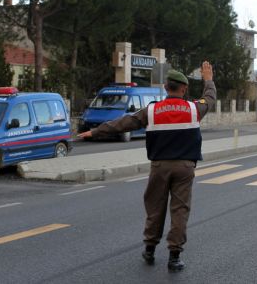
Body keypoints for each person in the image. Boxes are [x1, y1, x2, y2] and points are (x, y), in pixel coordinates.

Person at [77, 61, 216, 272]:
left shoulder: (152, 111)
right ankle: (174, 257)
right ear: (184, 88)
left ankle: (150, 249)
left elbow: (124, 123)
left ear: (165, 88)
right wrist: (208, 80)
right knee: (179, 210)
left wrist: (96, 132)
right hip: (185, 167)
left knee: (155, 208)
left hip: (159, 167)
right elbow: (211, 98)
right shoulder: (194, 108)